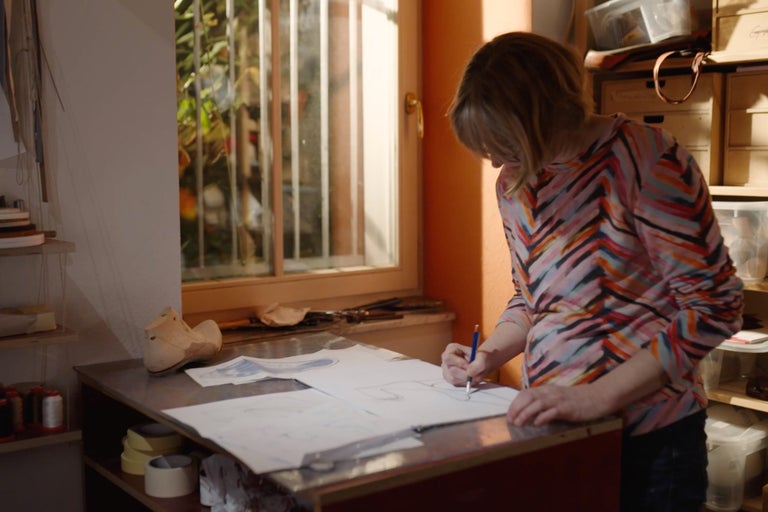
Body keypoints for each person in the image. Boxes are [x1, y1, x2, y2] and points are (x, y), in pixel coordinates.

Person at [440, 31, 744, 512]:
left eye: (505, 145)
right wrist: (491, 354)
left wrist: (598, 397)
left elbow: (715, 308)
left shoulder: (647, 162)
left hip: (651, 439)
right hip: (557, 431)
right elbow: (532, 298)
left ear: (545, 118)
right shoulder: (516, 184)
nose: (497, 162)